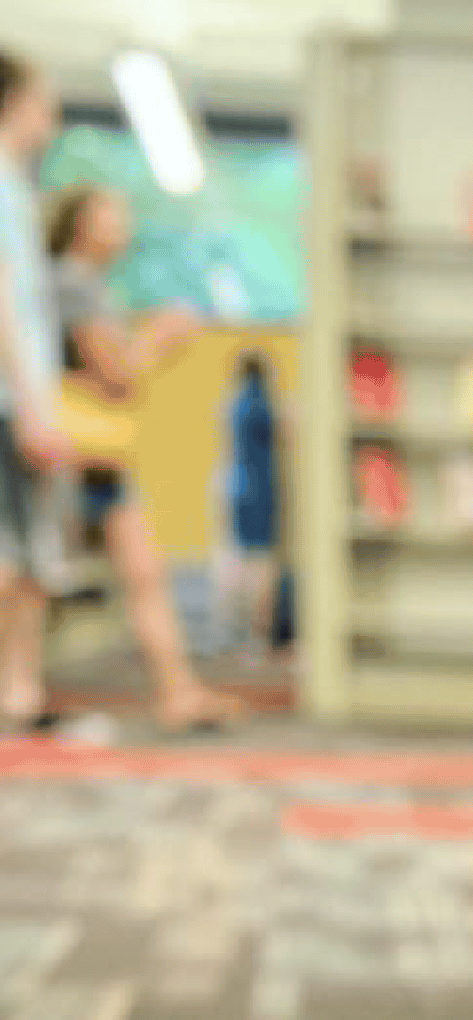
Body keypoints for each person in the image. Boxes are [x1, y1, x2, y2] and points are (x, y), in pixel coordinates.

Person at [47, 182, 241, 730]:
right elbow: (118, 377)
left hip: (99, 454)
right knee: (26, 580)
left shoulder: (90, 287)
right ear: (82, 223)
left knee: (142, 572)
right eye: (113, 212)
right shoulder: (72, 284)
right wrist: (160, 339)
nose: (124, 223)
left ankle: (178, 691)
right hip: (74, 452)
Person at [0, 51, 72, 730]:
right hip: (10, 397)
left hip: (21, 393)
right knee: (15, 553)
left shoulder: (17, 187)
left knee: (24, 554)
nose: (50, 121)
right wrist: (29, 404)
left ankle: (20, 691)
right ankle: (15, 689)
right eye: (44, 104)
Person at [224, 351, 283, 654]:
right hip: (259, 491)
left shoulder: (233, 404)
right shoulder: (260, 404)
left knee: (242, 560)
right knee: (262, 564)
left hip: (237, 489)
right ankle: (258, 635)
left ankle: (238, 633)